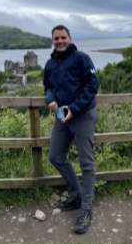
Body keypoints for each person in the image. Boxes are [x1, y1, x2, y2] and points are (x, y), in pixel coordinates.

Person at [43, 24, 100, 235]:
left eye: (63, 37)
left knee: (86, 163)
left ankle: (86, 210)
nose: (59, 41)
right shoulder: (50, 64)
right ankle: (77, 194)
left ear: (70, 38)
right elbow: (47, 86)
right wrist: (50, 100)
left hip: (82, 115)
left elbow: (93, 85)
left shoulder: (82, 59)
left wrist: (74, 109)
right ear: (53, 40)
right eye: (56, 38)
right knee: (55, 156)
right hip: (61, 116)